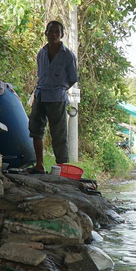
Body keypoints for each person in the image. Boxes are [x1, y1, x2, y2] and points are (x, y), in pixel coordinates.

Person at [28, 20, 78, 172]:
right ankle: (39, 165)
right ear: (46, 33)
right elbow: (40, 76)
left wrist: (59, 89)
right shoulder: (41, 53)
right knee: (35, 130)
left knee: (59, 136)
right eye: (51, 32)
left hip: (57, 98)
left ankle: (63, 170)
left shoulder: (68, 56)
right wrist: (37, 94)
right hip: (41, 95)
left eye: (57, 32)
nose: (54, 35)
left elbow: (72, 79)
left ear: (62, 35)